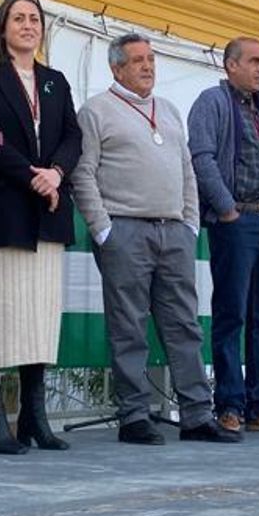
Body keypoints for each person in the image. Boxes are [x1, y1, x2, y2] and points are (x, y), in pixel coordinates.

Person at [71, 33, 241, 446]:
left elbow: (186, 170)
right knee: (128, 325)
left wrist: (188, 223)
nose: (147, 67)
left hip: (173, 232)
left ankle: (198, 415)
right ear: (116, 68)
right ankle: (134, 415)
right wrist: (104, 228)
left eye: (150, 59)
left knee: (184, 324)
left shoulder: (168, 110)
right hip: (124, 230)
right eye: (137, 61)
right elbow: (83, 173)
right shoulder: (95, 111)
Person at [0, 0, 81, 455]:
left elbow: (73, 135)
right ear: (2, 27)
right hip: (2, 207)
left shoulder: (55, 80)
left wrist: (56, 175)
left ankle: (34, 416)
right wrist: (32, 176)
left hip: (47, 211)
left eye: (35, 19)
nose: (28, 25)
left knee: (39, 318)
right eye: (19, 18)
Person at [187, 38, 259, 435]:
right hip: (237, 222)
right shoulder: (212, 101)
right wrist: (227, 209)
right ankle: (230, 404)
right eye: (254, 61)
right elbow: (201, 157)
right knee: (231, 314)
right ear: (230, 65)